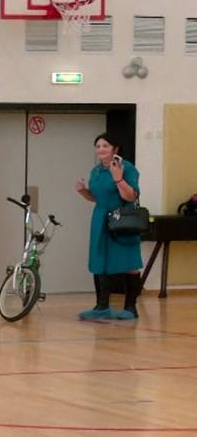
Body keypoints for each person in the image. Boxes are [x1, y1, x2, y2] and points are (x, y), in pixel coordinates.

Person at [75, 133, 143, 320]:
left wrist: (118, 178)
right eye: (98, 146)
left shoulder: (126, 168)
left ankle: (130, 307)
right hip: (100, 218)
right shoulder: (95, 171)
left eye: (105, 145)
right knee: (99, 261)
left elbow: (131, 196)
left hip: (122, 218)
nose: (101, 149)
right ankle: (102, 306)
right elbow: (97, 198)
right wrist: (83, 192)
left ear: (115, 149)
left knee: (129, 262)